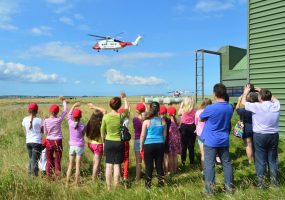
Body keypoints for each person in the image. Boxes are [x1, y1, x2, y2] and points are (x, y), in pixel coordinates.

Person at [242, 85, 280, 188]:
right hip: (273, 135)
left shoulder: (257, 106)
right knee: (272, 160)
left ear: (260, 98)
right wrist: (263, 91)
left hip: (260, 136)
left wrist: (246, 92)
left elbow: (243, 103)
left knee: (260, 160)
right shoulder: (276, 105)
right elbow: (275, 99)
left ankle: (261, 184)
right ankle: (274, 182)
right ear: (269, 97)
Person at [200, 83, 234, 194]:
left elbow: (201, 118)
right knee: (227, 164)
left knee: (209, 165)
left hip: (210, 141)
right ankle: (229, 188)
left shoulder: (210, 108)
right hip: (224, 140)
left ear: (215, 94)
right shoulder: (229, 107)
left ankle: (209, 191)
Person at [101, 92, 129, 190]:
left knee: (108, 166)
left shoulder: (105, 117)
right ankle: (116, 186)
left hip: (108, 142)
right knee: (117, 165)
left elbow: (102, 131)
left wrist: (104, 142)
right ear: (119, 105)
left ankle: (108, 188)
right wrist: (125, 98)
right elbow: (127, 110)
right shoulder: (121, 116)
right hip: (119, 142)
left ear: (110, 105)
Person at [140, 102, 167, 188]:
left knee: (149, 166)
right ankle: (161, 184)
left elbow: (142, 135)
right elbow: (164, 136)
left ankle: (148, 186)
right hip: (160, 144)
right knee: (159, 165)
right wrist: (162, 143)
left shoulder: (146, 121)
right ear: (158, 110)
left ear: (150, 109)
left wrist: (141, 146)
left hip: (148, 145)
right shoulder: (163, 121)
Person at [44, 97, 67, 177]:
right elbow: (65, 111)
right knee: (57, 160)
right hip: (58, 141)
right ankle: (57, 176)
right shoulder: (59, 119)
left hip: (49, 141)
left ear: (50, 111)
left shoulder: (45, 120)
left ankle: (48, 176)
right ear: (57, 112)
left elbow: (45, 132)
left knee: (49, 160)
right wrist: (64, 101)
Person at [236, 91, 259, 164]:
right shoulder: (259, 108)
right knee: (257, 145)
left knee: (248, 145)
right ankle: (257, 160)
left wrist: (239, 100)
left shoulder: (244, 110)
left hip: (247, 128)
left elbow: (237, 109)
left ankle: (250, 160)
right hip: (257, 128)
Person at [66, 102, 85, 186]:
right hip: (79, 146)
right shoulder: (82, 126)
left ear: (73, 117)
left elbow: (69, 115)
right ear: (80, 117)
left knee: (70, 165)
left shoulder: (70, 123)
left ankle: (67, 183)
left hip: (72, 146)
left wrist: (73, 105)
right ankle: (76, 183)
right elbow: (83, 134)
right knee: (77, 166)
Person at [86, 103, 106, 180]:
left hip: (90, 144)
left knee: (95, 159)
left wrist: (93, 108)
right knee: (97, 163)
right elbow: (105, 110)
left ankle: (97, 174)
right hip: (98, 145)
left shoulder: (90, 122)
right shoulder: (101, 123)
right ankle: (93, 179)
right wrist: (94, 106)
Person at [22, 103, 43, 176]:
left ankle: (30, 175)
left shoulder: (25, 119)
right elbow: (42, 131)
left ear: (29, 110)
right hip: (37, 142)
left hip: (28, 142)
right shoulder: (39, 120)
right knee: (35, 161)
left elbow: (24, 130)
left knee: (31, 159)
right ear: (36, 110)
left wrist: (27, 137)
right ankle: (32, 177)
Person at [194, 98, 212, 174]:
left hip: (200, 134)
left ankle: (204, 170)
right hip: (209, 134)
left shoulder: (198, 112)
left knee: (203, 153)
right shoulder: (211, 111)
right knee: (210, 152)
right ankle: (210, 169)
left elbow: (196, 122)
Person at [178, 96, 196, 166]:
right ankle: (192, 162)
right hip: (192, 127)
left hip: (184, 128)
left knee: (183, 146)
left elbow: (179, 113)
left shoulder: (183, 110)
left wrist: (181, 106)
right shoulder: (194, 110)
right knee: (191, 146)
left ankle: (183, 162)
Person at [133, 102, 146, 181]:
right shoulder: (146, 120)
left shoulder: (135, 119)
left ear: (137, 111)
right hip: (145, 140)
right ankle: (148, 175)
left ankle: (137, 177)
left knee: (138, 161)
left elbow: (135, 128)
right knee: (146, 160)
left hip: (137, 140)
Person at [118, 104, 131, 185]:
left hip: (118, 141)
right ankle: (125, 176)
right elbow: (128, 113)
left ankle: (118, 174)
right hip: (126, 141)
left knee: (118, 159)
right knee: (126, 159)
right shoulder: (127, 120)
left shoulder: (117, 121)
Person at [167, 106, 181, 174]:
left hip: (170, 141)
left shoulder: (169, 122)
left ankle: (171, 170)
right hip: (176, 141)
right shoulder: (177, 121)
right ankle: (175, 169)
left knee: (170, 156)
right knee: (175, 156)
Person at [159, 105, 171, 175]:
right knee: (166, 156)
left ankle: (163, 170)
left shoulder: (159, 121)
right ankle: (167, 171)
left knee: (161, 157)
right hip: (167, 140)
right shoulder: (168, 120)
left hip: (160, 140)